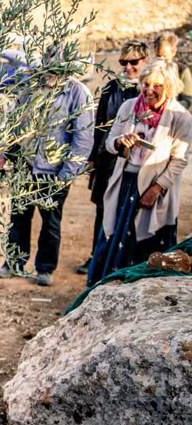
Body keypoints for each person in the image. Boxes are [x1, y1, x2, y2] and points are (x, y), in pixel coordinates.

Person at [87, 61, 191, 285]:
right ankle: (106, 288)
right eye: (146, 84)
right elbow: (109, 144)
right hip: (125, 183)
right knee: (113, 232)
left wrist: (156, 188)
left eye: (157, 86)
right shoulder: (129, 108)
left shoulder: (180, 116)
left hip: (154, 188)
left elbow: (179, 160)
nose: (149, 90)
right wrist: (120, 142)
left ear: (169, 87)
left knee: (147, 240)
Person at [0, 63, 94, 286]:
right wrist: (3, 154)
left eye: (56, 69)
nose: (50, 74)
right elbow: (14, 125)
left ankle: (45, 268)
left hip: (55, 170)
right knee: (18, 216)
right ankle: (14, 262)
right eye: (48, 68)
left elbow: (83, 138)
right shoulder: (31, 87)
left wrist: (67, 173)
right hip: (25, 164)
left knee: (50, 221)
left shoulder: (77, 93)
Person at [77, 40, 148, 274]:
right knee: (102, 208)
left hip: (137, 162)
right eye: (123, 62)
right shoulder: (111, 88)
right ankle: (96, 255)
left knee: (132, 211)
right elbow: (99, 125)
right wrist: (92, 158)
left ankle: (128, 259)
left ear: (144, 61)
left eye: (133, 62)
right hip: (108, 159)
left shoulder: (149, 89)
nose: (128, 67)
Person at [153, 32, 192, 109]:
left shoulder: (182, 71)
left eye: (164, 56)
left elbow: (188, 100)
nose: (161, 60)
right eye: (158, 56)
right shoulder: (150, 70)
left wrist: (168, 107)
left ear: (173, 52)